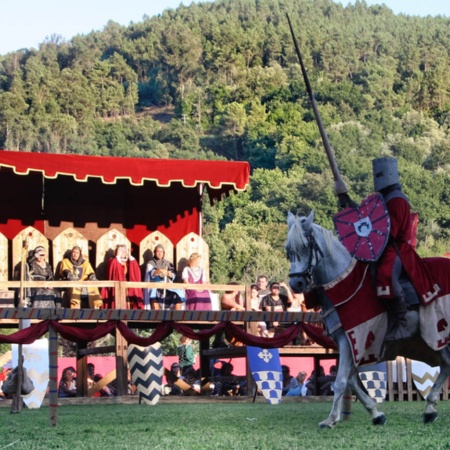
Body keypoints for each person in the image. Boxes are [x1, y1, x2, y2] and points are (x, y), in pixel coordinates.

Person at [371, 157, 436, 341]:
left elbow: (390, 231)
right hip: (380, 247)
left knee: (387, 274)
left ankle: (402, 321)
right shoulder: (380, 199)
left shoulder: (397, 200)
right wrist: (348, 202)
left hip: (396, 248)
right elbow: (365, 219)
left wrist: (375, 241)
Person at [101, 244, 143, 309]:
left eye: (124, 251)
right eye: (121, 251)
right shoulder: (112, 261)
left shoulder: (128, 262)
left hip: (127, 287)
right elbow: (113, 272)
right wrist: (117, 258)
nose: (123, 253)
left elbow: (135, 271)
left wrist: (130, 258)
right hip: (118, 287)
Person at [144, 244, 183, 310]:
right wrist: (159, 271)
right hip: (156, 285)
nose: (160, 253)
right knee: (154, 295)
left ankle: (176, 316)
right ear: (155, 252)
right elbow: (151, 274)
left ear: (163, 253)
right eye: (158, 252)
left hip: (168, 285)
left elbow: (173, 274)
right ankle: (157, 316)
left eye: (161, 252)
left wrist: (171, 274)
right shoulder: (150, 263)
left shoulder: (168, 263)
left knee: (178, 294)